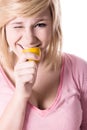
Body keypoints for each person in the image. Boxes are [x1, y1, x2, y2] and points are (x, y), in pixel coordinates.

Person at [0, 0, 87, 130]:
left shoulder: (79, 69)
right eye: (18, 26)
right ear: (4, 28)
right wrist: (20, 94)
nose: (29, 39)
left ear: (53, 24)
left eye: (40, 25)